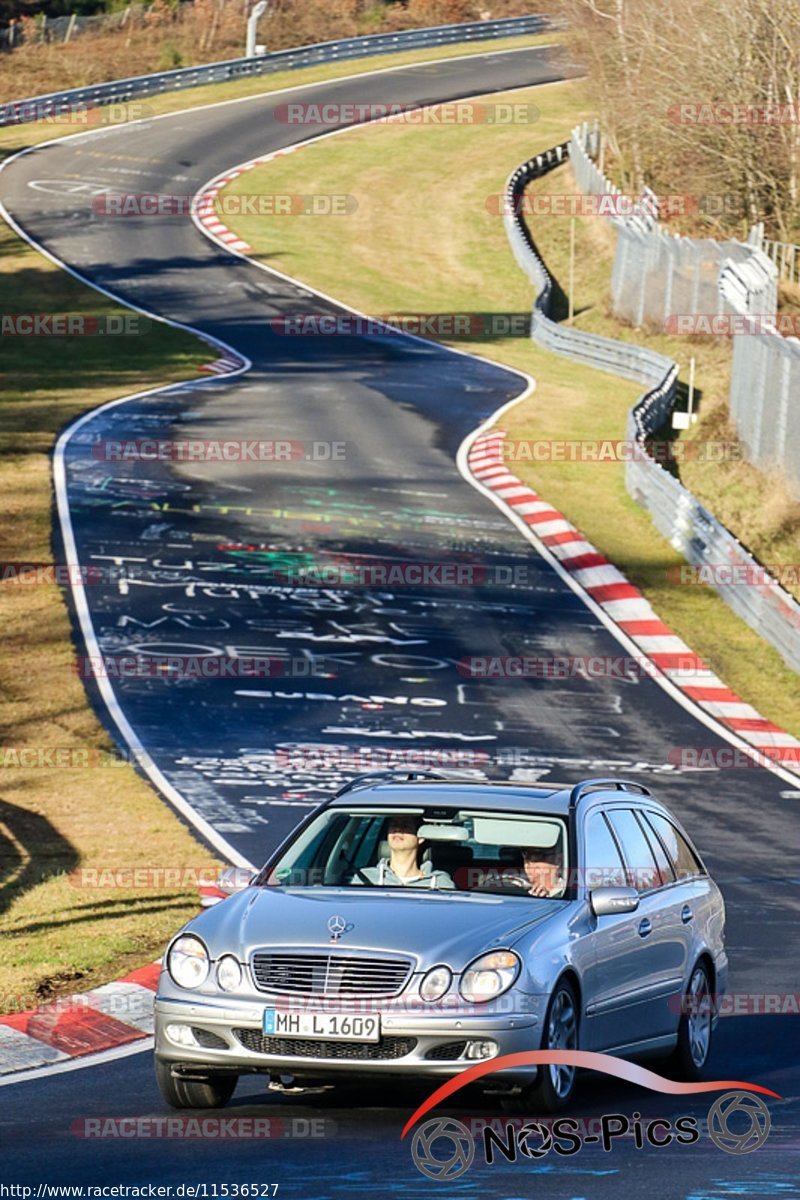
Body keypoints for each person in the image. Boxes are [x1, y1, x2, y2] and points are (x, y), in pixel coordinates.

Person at [354, 814, 454, 889]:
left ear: (421, 837)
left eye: (405, 825)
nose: (397, 829)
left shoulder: (440, 883)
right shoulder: (365, 878)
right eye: (394, 825)